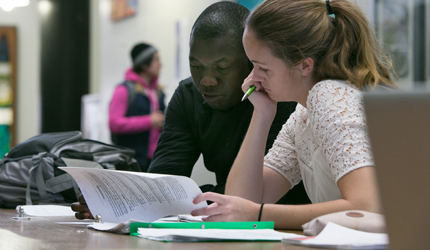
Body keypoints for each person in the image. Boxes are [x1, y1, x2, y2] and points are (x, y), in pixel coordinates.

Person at [72, 1, 310, 220]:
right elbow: (163, 181)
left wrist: (191, 199)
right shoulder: (188, 96)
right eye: (196, 65)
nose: (206, 80)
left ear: (251, 63)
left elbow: (260, 199)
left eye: (222, 67)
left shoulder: (282, 99)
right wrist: (120, 205)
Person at [191, 0, 396, 229]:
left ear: (304, 66)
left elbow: (366, 206)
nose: (253, 78)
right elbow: (241, 201)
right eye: (252, 65)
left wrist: (258, 215)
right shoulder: (303, 113)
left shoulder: (328, 95)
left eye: (263, 68)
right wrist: (262, 113)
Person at [109, 43, 165, 172]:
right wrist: (149, 121)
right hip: (131, 163)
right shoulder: (124, 90)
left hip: (154, 161)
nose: (160, 64)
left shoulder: (157, 91)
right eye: (156, 60)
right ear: (144, 65)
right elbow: (114, 123)